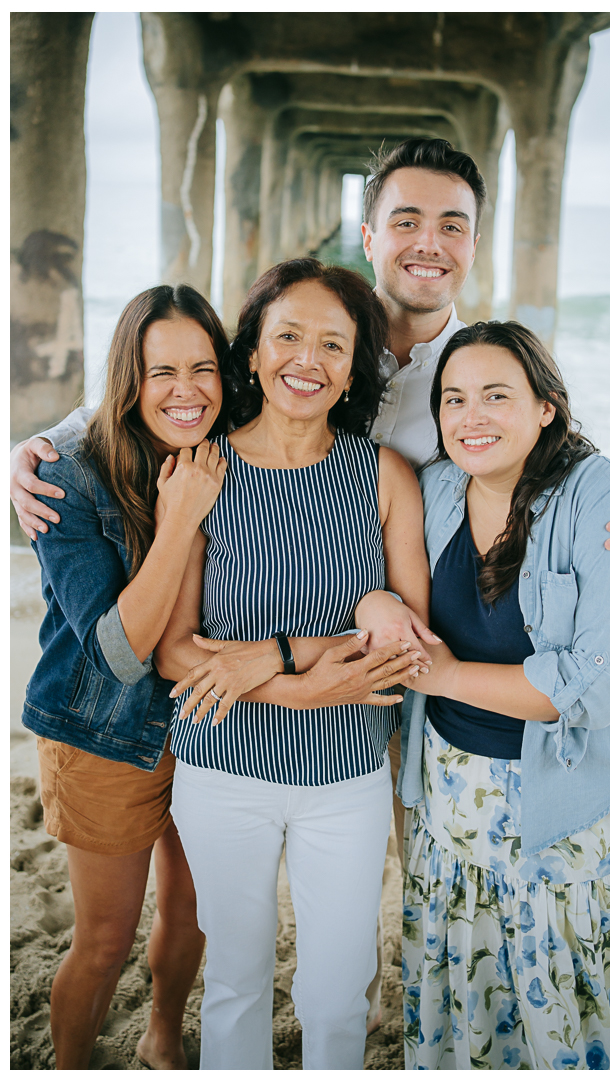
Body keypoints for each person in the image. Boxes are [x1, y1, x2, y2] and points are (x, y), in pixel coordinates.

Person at [10, 137, 610, 1029]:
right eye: (405, 219)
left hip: (404, 693)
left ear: (474, 246)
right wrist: (39, 445)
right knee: (224, 949)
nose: (428, 242)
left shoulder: (469, 370)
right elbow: (168, 374)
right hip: (271, 714)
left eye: (453, 225)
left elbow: (568, 458)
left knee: (397, 916)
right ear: (368, 235)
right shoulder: (299, 353)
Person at [388, 321, 610, 1069]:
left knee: (582, 986)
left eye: (497, 395)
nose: (472, 417)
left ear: (547, 408)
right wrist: (375, 606)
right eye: (454, 399)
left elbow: (597, 685)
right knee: (484, 988)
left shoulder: (608, 500)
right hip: (457, 803)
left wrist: (447, 678)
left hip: (586, 805)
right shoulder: (435, 487)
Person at [153, 258, 435, 1070]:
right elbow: (176, 650)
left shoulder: (383, 476)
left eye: (333, 346)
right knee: (236, 980)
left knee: (338, 987)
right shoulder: (202, 470)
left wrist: (269, 663)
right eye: (287, 337)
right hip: (219, 770)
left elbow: (406, 638)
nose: (306, 360)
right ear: (251, 353)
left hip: (346, 780)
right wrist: (307, 690)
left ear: (352, 371)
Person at [20, 284, 232, 1070]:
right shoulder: (66, 477)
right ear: (127, 376)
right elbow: (116, 651)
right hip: (100, 726)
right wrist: (179, 518)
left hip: (210, 723)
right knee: (104, 938)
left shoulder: (232, 445)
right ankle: (70, 1062)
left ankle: (163, 1035)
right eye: (161, 371)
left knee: (194, 911)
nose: (186, 391)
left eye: (204, 369)